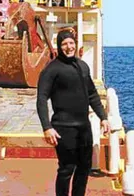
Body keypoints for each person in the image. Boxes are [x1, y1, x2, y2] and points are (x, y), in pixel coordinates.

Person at [36, 29, 110, 196]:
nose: (68, 47)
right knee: (66, 169)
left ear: (75, 45)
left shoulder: (82, 66)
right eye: (64, 44)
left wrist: (103, 118)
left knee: (84, 168)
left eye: (71, 43)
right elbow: (41, 99)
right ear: (59, 46)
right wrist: (47, 127)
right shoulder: (52, 70)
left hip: (83, 127)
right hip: (63, 128)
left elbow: (92, 94)